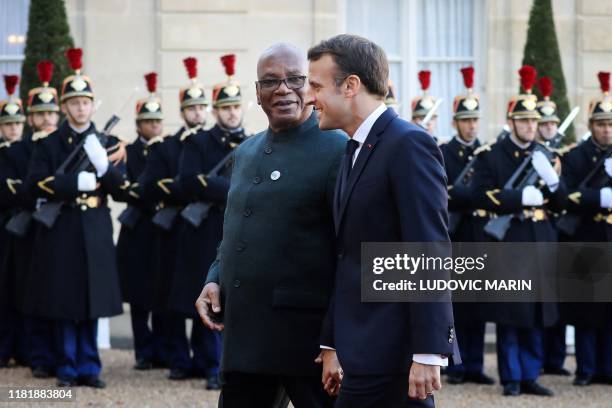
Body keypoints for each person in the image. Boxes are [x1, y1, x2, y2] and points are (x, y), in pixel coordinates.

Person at [307, 34, 459, 407]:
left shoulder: (407, 144)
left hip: (395, 356)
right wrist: (332, 342)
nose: (310, 98)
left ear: (351, 86)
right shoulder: (355, 147)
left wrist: (428, 352)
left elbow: (429, 249)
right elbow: (348, 256)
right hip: (364, 350)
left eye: (316, 86)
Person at [195, 43, 345, 408]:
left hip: (305, 339)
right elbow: (236, 230)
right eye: (270, 82)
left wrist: (337, 340)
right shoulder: (246, 152)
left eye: (294, 79)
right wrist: (214, 277)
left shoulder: (337, 149)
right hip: (246, 332)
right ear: (257, 93)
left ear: (310, 88)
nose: (283, 89)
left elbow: (349, 250)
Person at [23, 48, 125, 388]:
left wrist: (103, 166)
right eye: (74, 102)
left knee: (92, 299)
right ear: (64, 106)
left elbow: (122, 189)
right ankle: (66, 366)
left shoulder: (107, 142)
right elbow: (32, 183)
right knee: (65, 298)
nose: (80, 107)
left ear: (92, 105)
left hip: (94, 226)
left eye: (85, 102)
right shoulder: (50, 143)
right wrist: (72, 183)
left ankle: (89, 366)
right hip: (63, 227)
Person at [472, 65, 565, 396]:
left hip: (540, 238)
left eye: (534, 122)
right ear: (512, 122)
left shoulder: (546, 155)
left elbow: (563, 200)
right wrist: (516, 198)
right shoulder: (493, 155)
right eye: (524, 120)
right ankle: (511, 376)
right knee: (511, 311)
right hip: (510, 240)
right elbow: (480, 194)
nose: (530, 126)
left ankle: (530, 374)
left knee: (538, 310)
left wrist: (553, 181)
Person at [141, 57, 208, 381]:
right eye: (192, 108)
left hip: (203, 230)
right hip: (172, 231)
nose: (198, 113)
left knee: (203, 299)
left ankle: (203, 359)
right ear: (182, 112)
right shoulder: (167, 147)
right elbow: (150, 186)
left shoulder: (213, 144)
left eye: (202, 107)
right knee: (174, 300)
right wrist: (189, 188)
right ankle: (178, 359)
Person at [440, 67, 494, 386]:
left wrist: (466, 195)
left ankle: (475, 365)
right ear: (455, 122)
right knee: (456, 306)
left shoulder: (486, 154)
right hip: (455, 235)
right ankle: (456, 365)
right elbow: (444, 191)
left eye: (475, 120)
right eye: (466, 120)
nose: (472, 125)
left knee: (479, 305)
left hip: (480, 235)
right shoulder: (444, 152)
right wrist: (469, 195)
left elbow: (488, 195)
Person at [561, 71, 612, 386]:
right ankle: (586, 368)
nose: (607, 130)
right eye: (601, 125)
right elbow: (567, 194)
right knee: (587, 307)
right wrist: (599, 196)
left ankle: (608, 368)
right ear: (591, 126)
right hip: (587, 235)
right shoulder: (578, 156)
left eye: (610, 125)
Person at [116, 72, 169, 371]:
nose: (154, 126)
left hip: (161, 227)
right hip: (137, 229)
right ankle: (143, 352)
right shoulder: (129, 152)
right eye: (149, 122)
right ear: (139, 125)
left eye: (158, 121)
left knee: (160, 292)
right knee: (138, 297)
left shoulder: (169, 149)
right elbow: (127, 188)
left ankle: (161, 349)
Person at [0, 74, 28, 369]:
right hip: (2, 226)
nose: (12, 129)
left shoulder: (31, 150)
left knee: (22, 291)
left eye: (16, 124)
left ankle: (23, 348)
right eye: (8, 124)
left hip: (23, 229)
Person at [411, 70, 438, 137]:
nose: (428, 123)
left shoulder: (441, 146)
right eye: (422, 118)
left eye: (431, 118)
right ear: (412, 122)